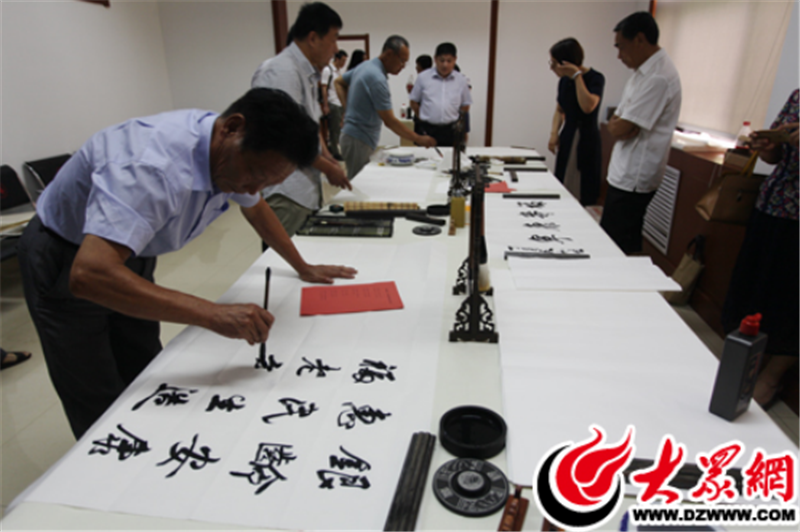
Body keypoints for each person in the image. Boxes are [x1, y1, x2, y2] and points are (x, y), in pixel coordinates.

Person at [17, 88, 358, 439]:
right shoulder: (150, 166)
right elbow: (89, 274)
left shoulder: (230, 151)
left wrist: (302, 266)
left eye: (268, 183)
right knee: (95, 389)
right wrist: (211, 314)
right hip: (67, 254)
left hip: (130, 254)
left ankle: (151, 445)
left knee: (144, 366)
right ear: (232, 128)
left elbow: (256, 208)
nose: (252, 188)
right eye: (255, 174)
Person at [722, 89, 799, 408]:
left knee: (790, 302)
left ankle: (772, 376)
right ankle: (748, 363)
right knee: (756, 289)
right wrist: (768, 148)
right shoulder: (798, 96)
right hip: (772, 205)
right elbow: (775, 157)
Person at [252, 2, 351, 238]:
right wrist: (327, 167)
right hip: (286, 191)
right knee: (287, 258)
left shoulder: (305, 73)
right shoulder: (282, 72)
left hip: (304, 188)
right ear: (313, 38)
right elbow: (285, 139)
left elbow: (309, 125)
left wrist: (327, 156)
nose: (335, 49)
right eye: (333, 39)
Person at [599, 11, 681, 254]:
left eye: (621, 47)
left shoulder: (658, 77)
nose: (619, 55)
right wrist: (619, 124)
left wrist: (619, 124)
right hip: (624, 171)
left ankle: (622, 277)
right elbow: (617, 121)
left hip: (634, 176)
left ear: (639, 40)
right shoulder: (641, 73)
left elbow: (622, 126)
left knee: (618, 243)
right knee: (617, 236)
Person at [335, 35, 436, 180]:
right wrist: (418, 138)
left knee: (360, 180)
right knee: (359, 183)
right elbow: (390, 121)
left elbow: (339, 82)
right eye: (402, 61)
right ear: (389, 54)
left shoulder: (366, 66)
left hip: (356, 137)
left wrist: (347, 110)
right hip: (358, 138)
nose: (403, 66)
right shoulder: (376, 78)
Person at [547, 38, 605, 206]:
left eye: (554, 64)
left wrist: (577, 76)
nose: (552, 68)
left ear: (565, 63)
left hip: (585, 138)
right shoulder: (564, 81)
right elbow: (560, 110)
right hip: (568, 134)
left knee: (582, 188)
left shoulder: (595, 78)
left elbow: (588, 106)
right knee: (562, 182)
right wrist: (554, 134)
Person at [409, 43, 472, 148]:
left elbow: (465, 105)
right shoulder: (423, 78)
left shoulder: (461, 80)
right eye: (442, 60)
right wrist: (422, 117)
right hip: (427, 129)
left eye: (449, 61)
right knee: (425, 157)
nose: (445, 65)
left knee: (450, 157)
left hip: (451, 130)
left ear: (455, 60)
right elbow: (414, 102)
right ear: (435, 59)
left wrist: (458, 121)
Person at [321, 50, 348, 160]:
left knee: (339, 128)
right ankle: (334, 152)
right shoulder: (328, 70)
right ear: (337, 59)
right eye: (343, 60)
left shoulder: (338, 72)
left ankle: (335, 148)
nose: (344, 63)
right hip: (333, 102)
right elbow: (324, 87)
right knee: (334, 129)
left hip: (339, 102)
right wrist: (325, 105)